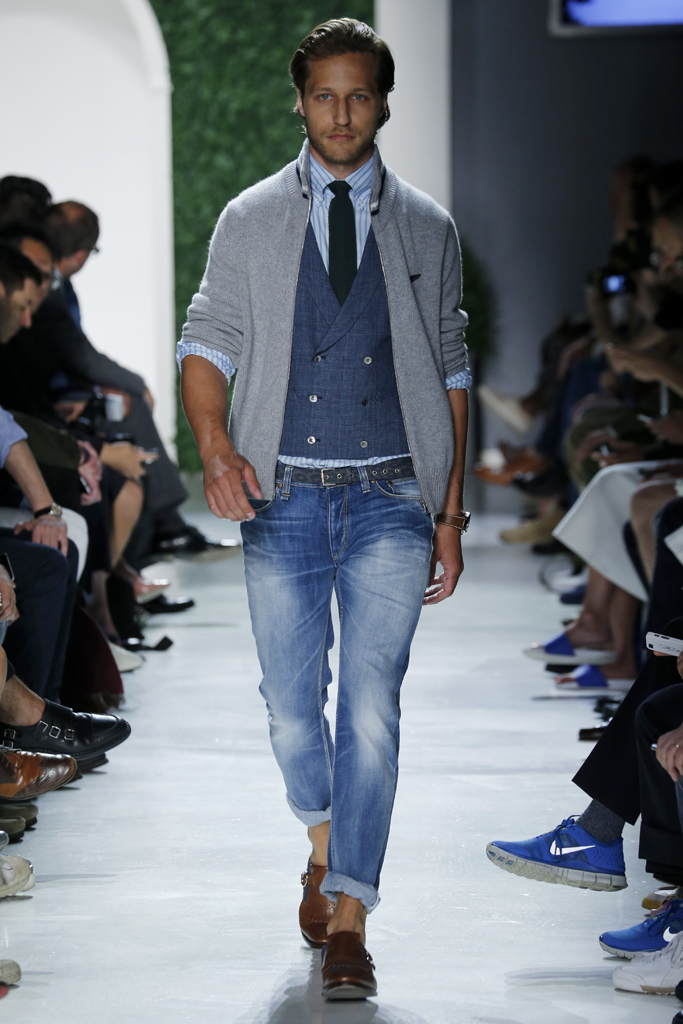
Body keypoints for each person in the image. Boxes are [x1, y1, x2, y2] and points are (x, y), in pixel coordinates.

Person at [179, 18, 470, 1001]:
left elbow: (451, 369)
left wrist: (448, 514)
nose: (339, 114)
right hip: (283, 494)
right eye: (322, 96)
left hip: (392, 494)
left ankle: (350, 914)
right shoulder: (248, 218)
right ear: (299, 102)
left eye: (357, 96)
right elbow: (206, 341)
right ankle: (323, 840)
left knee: (372, 711)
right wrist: (215, 447)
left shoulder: (426, 225)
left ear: (380, 103)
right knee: (289, 707)